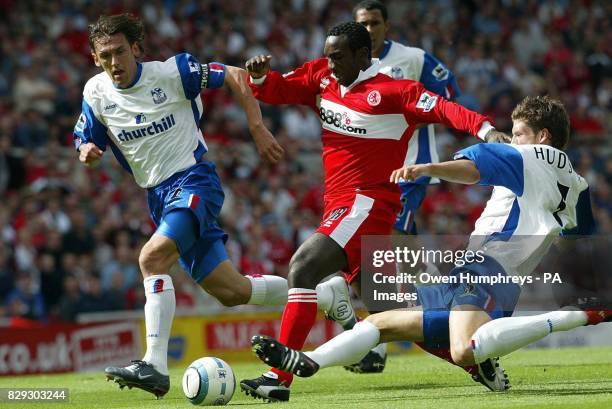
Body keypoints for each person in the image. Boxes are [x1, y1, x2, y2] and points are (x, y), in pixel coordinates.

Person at [74, 13, 353, 399]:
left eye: (120, 52)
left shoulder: (174, 73)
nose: (114, 63)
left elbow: (238, 76)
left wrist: (257, 128)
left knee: (152, 259)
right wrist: (87, 150)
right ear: (94, 58)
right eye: (105, 56)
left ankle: (154, 364)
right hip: (157, 197)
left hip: (193, 182)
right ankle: (327, 296)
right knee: (232, 291)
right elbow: (88, 136)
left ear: (136, 49)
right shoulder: (95, 93)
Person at [250, 96, 610, 392]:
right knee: (383, 322)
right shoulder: (577, 184)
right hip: (476, 271)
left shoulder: (527, 156)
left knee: (462, 349)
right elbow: (578, 239)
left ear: (542, 136)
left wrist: (427, 169)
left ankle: (576, 318)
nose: (512, 141)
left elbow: (475, 166)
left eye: (518, 133)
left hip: (490, 272)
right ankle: (309, 362)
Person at [240, 21, 504, 402]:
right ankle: (474, 359)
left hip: (367, 205)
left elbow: (446, 109)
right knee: (390, 318)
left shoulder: (395, 93)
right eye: (328, 56)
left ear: (364, 55)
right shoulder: (321, 77)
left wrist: (486, 130)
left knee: (303, 267)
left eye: (339, 57)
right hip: (341, 206)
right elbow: (281, 90)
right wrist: (262, 80)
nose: (330, 64)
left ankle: (277, 378)